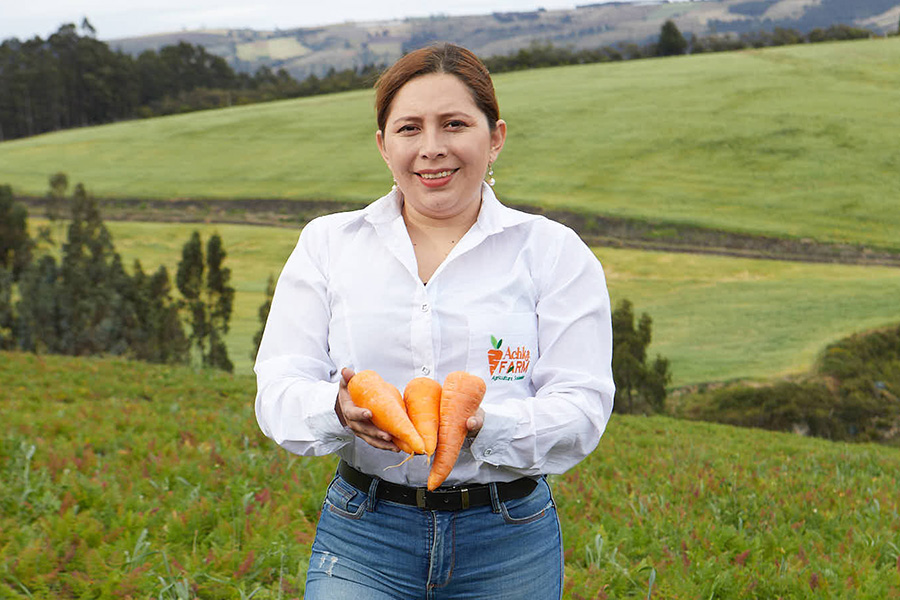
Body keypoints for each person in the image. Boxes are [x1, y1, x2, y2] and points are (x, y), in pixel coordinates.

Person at [254, 42, 615, 599]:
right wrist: (337, 410)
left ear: (494, 137)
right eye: (409, 129)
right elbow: (278, 386)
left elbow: (583, 406)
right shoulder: (328, 244)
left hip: (507, 539)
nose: (432, 148)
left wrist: (481, 427)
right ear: (382, 145)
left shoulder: (552, 252)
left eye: (453, 124)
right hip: (364, 534)